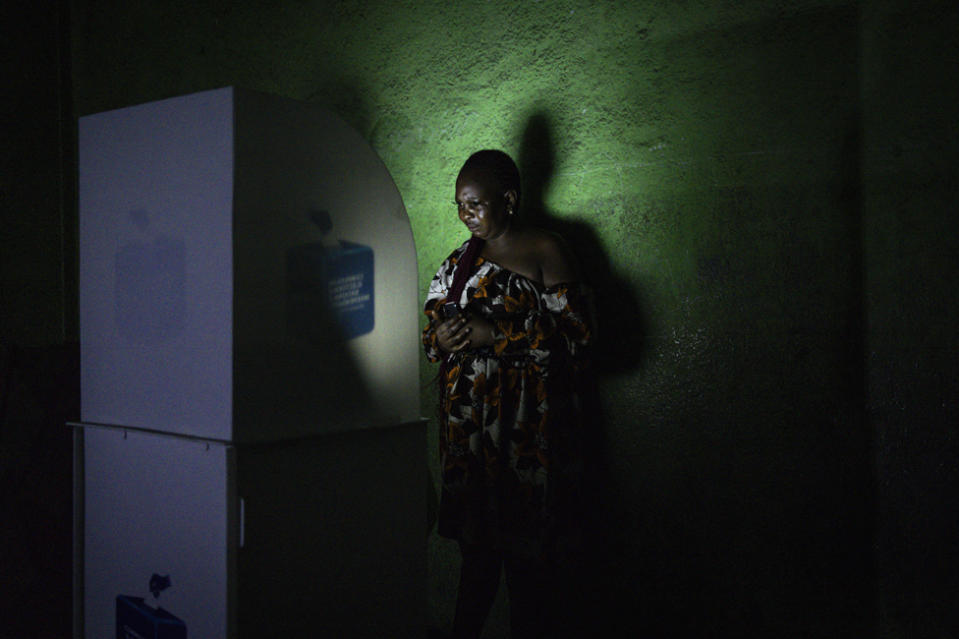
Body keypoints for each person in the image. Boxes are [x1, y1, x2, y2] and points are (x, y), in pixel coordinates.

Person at [422, 150, 592, 638]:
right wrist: (442, 340)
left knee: (528, 568)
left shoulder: (546, 249)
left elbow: (578, 335)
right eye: (459, 205)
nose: (466, 214)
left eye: (476, 203)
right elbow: (430, 333)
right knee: (475, 563)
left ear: (510, 199)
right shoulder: (459, 263)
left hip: (526, 433)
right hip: (469, 434)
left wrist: (493, 335)